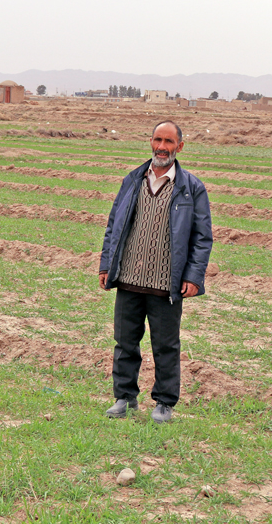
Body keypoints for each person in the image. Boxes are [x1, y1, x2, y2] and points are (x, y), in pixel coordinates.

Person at [99, 121, 213, 423]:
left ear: (180, 146)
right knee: (125, 342)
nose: (162, 146)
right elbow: (114, 225)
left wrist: (193, 276)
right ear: (151, 141)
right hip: (128, 278)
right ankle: (124, 398)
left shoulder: (191, 188)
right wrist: (107, 265)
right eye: (157, 140)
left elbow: (202, 237)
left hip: (166, 283)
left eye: (169, 141)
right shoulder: (133, 179)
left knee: (165, 345)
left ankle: (164, 403)